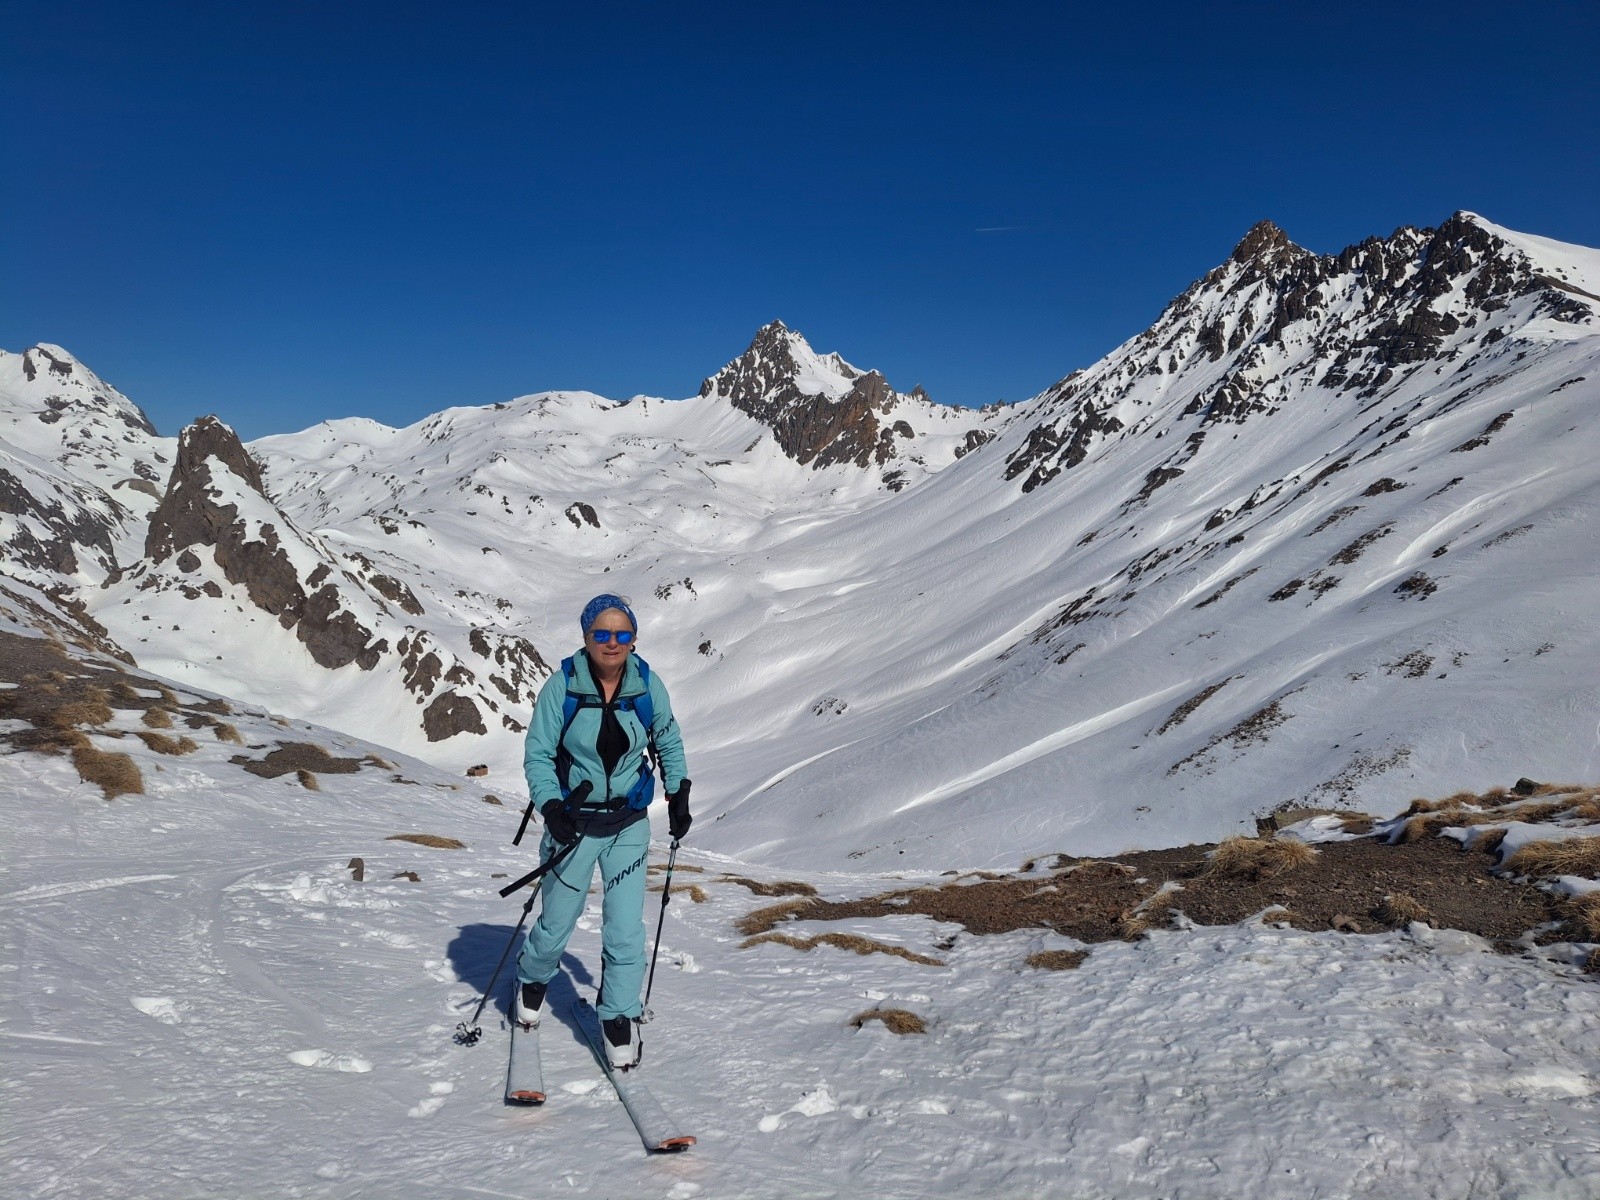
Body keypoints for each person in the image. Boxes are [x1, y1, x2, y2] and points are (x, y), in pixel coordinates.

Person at [513, 594, 691, 1069]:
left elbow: (667, 738)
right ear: (586, 636)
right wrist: (551, 806)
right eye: (602, 634)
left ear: (634, 638)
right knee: (555, 925)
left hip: (628, 823)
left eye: (622, 634)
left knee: (626, 929)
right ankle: (532, 977)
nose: (612, 643)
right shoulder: (563, 687)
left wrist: (679, 792)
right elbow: (538, 753)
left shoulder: (646, 685)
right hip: (574, 823)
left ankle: (617, 1014)